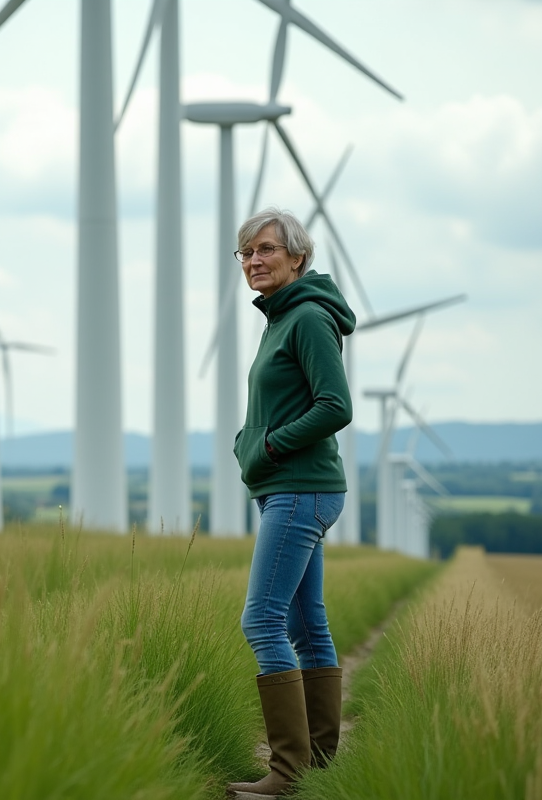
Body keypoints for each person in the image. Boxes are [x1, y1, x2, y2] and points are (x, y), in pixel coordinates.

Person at [226, 208, 355, 798]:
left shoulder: (305, 317)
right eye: (246, 253)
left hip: (300, 486)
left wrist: (271, 445)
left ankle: (286, 769)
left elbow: (335, 405)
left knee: (262, 619)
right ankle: (322, 765)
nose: (254, 261)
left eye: (266, 250)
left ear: (298, 258)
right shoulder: (281, 319)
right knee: (306, 624)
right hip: (294, 486)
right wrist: (246, 440)